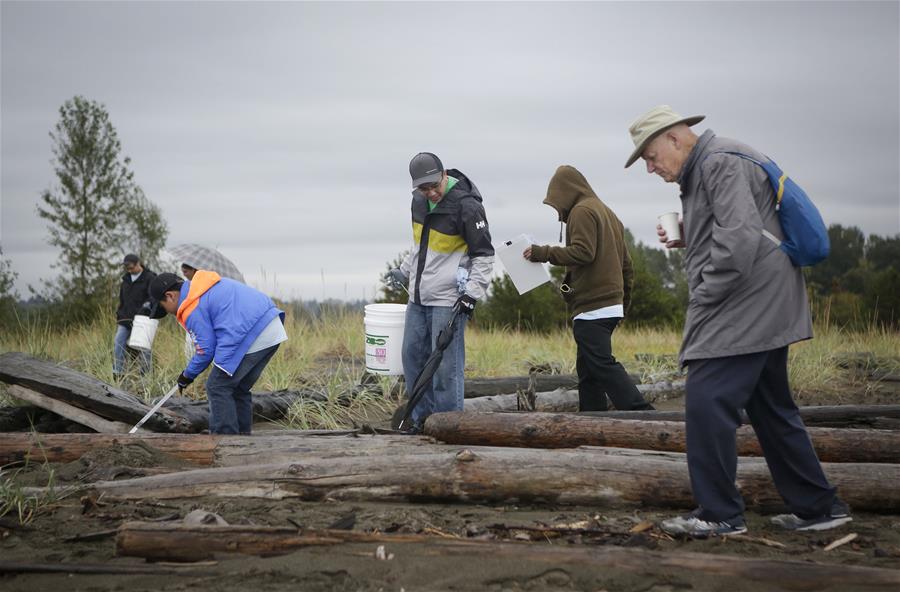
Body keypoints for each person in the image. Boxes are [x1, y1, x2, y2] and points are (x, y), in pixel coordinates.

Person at [625, 104, 850, 537]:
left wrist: (705, 294)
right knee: (771, 408)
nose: (650, 168)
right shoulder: (714, 162)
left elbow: (740, 240)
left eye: (651, 156)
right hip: (764, 301)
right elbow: (744, 225)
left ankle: (718, 514)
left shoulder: (718, 162)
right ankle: (820, 506)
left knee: (708, 401)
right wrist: (694, 234)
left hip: (744, 304)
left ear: (675, 137)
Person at [524, 165, 653, 412]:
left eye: (556, 203)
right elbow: (627, 265)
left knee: (603, 366)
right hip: (609, 305)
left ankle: (643, 413)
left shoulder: (581, 211)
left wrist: (543, 253)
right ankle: (592, 421)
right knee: (589, 372)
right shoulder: (608, 213)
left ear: (566, 192)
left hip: (593, 306)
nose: (557, 211)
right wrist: (623, 304)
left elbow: (584, 252)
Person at [389, 152, 494, 432]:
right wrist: (405, 270)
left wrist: (471, 295)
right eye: (424, 188)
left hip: (450, 300)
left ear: (444, 174)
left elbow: (484, 256)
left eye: (435, 185)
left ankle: (450, 427)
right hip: (418, 298)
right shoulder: (419, 203)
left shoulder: (467, 207)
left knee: (446, 369)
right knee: (412, 359)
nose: (432, 192)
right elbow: (421, 246)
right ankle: (422, 422)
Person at [148, 270, 287, 434]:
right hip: (272, 326)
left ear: (170, 296)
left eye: (162, 306)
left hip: (252, 333)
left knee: (217, 386)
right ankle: (242, 438)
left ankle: (224, 439)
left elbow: (206, 350)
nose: (168, 313)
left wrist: (187, 375)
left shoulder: (192, 305)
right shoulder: (203, 287)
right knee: (238, 388)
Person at [114, 254, 156, 378]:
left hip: (143, 320)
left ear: (138, 264)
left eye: (131, 267)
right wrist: (120, 314)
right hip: (125, 319)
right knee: (118, 342)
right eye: (127, 268)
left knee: (144, 348)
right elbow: (122, 300)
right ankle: (118, 372)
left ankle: (146, 374)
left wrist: (146, 307)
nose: (129, 270)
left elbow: (153, 298)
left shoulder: (150, 278)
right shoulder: (126, 280)